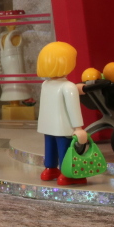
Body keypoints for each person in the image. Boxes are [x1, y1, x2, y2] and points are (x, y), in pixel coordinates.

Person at [36, 41, 88, 186]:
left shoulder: (45, 85)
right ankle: (67, 174)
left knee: (50, 147)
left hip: (47, 126)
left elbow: (53, 100)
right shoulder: (68, 86)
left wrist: (76, 89)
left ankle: (49, 170)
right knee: (65, 149)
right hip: (63, 127)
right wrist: (78, 128)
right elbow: (73, 108)